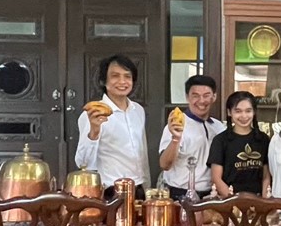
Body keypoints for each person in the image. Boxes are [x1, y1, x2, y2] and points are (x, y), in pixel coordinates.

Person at [75, 54, 150, 199]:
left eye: (127, 76)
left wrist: (147, 187)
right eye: (115, 76)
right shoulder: (93, 114)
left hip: (138, 188)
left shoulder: (138, 110)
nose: (122, 81)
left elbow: (143, 153)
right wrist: (94, 132)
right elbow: (82, 163)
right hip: (110, 191)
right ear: (104, 81)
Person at [158, 74, 225, 201]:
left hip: (211, 195)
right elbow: (165, 165)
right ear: (187, 97)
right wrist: (175, 139)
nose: (201, 101)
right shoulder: (177, 125)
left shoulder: (218, 127)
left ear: (214, 97)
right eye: (195, 96)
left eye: (206, 95)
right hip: (180, 195)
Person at [206, 91, 271, 196]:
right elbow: (216, 178)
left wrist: (263, 201)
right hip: (229, 200)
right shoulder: (220, 140)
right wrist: (234, 201)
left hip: (258, 199)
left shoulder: (263, 139)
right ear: (229, 112)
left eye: (248, 111)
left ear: (254, 112)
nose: (244, 116)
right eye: (238, 111)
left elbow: (266, 176)